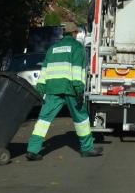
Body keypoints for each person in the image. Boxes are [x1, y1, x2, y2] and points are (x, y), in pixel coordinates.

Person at [26, 22, 103, 160]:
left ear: (63, 33)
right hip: (70, 89)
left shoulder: (52, 48)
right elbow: (77, 70)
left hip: (52, 88)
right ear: (75, 33)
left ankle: (32, 150)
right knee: (81, 119)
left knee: (43, 119)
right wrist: (79, 90)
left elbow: (44, 71)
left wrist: (40, 89)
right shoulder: (77, 47)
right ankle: (87, 148)